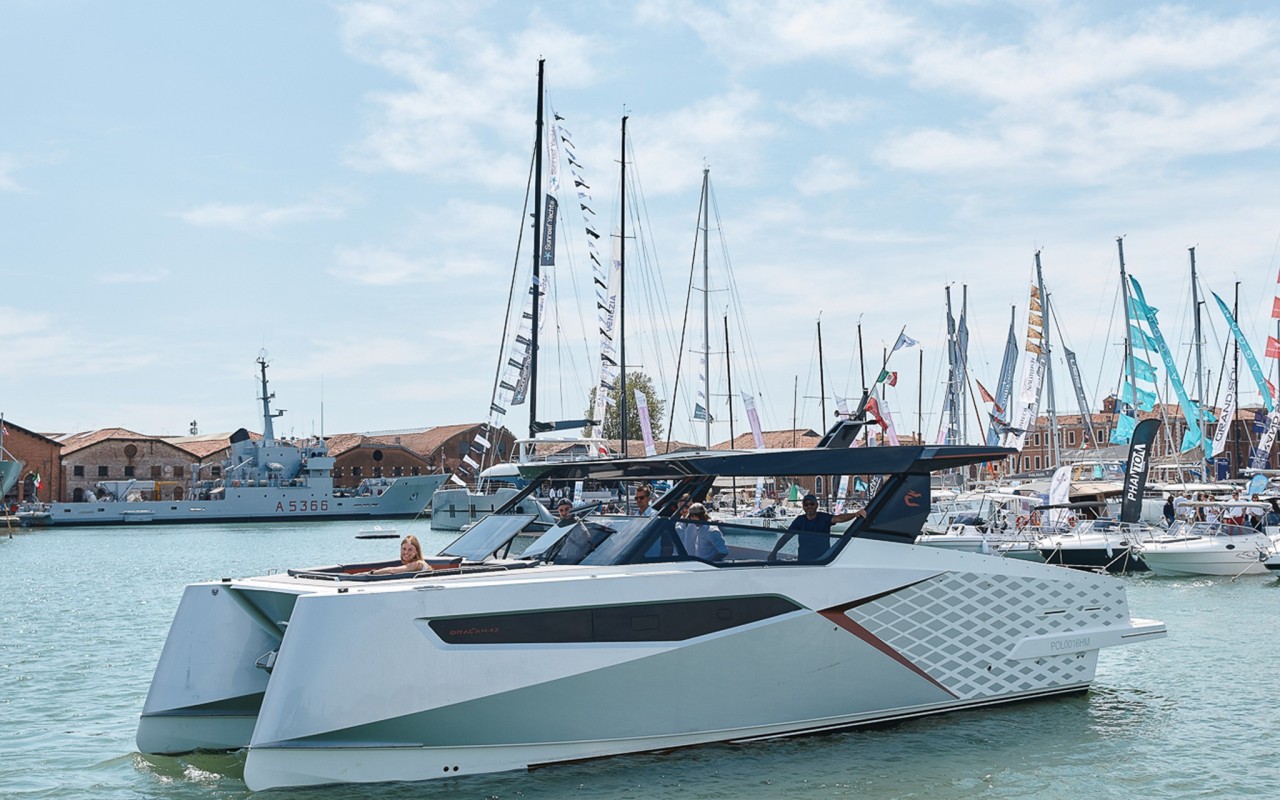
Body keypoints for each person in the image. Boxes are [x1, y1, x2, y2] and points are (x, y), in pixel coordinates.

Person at [771, 494, 866, 562]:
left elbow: (839, 518)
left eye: (811, 504)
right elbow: (786, 537)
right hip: (804, 560)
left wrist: (855, 514)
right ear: (803, 507)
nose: (809, 506)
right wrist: (774, 552)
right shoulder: (799, 520)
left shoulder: (824, 518)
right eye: (806, 504)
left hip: (823, 560)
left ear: (816, 505)